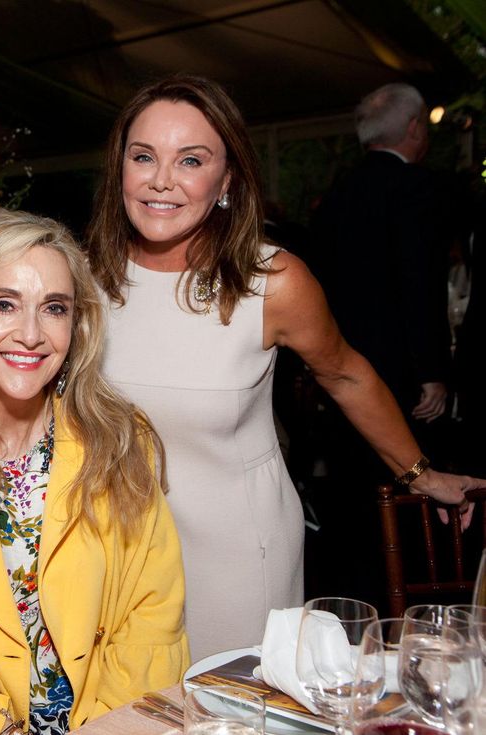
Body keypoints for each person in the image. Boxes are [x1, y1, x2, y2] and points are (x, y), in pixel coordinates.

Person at [85, 73, 483, 659]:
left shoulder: (271, 281)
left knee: (232, 712)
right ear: (120, 168)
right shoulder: (80, 277)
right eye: (143, 156)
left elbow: (345, 374)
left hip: (235, 554)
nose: (161, 180)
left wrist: (419, 473)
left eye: (190, 160)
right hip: (111, 548)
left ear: (227, 180)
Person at [0, 211, 188, 735]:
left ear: (76, 324)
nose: (30, 334)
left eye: (54, 309)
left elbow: (152, 619)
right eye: (3, 305)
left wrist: (101, 727)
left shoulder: (117, 442)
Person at [309, 83, 457, 605]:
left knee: (357, 503)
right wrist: (433, 370)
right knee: (412, 497)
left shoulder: (335, 194)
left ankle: (363, 600)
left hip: (335, 372)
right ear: (415, 129)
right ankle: (411, 606)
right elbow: (421, 286)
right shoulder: (415, 188)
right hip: (396, 377)